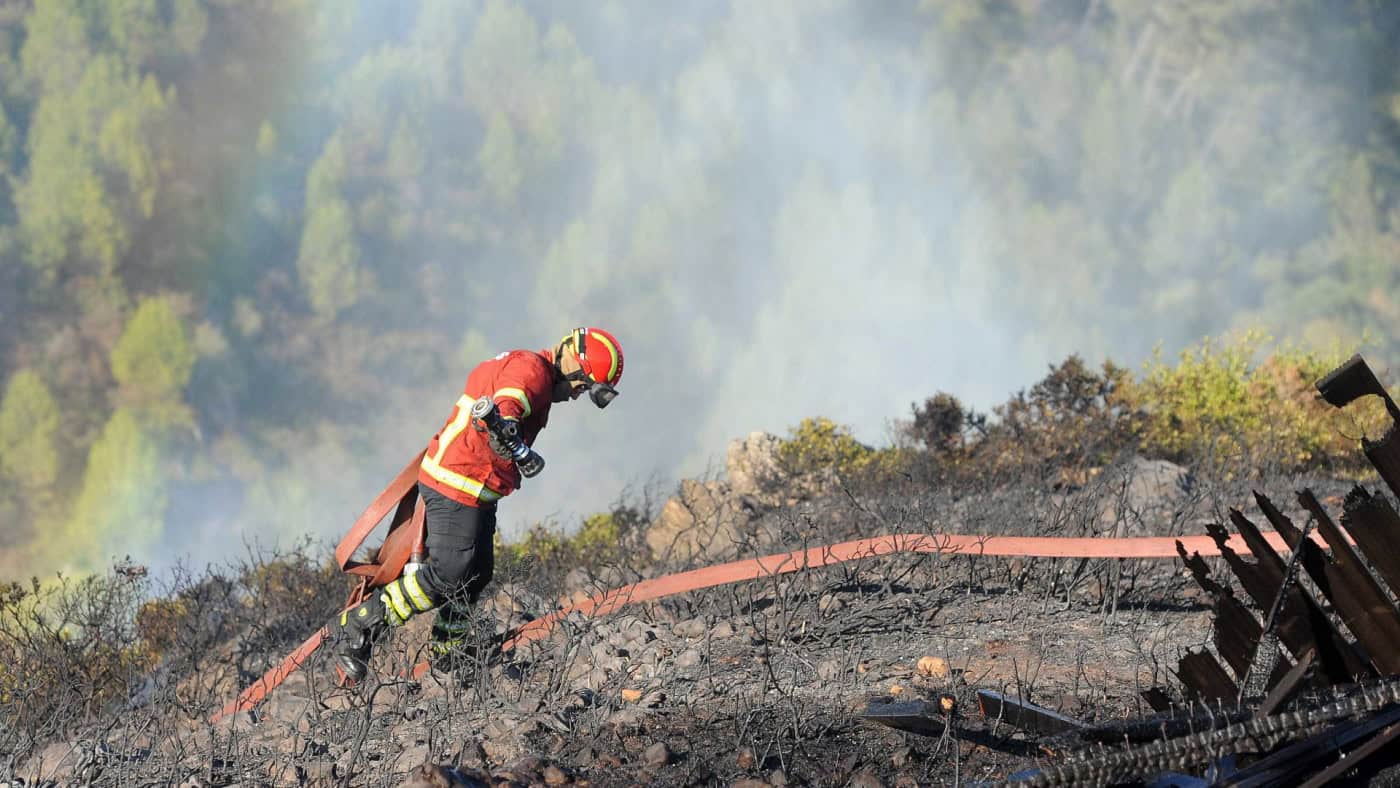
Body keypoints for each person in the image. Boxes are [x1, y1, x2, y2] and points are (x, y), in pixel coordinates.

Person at [331, 327, 625, 681]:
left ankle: (449, 650)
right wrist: (508, 427)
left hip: (474, 487)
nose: (577, 395)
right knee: (449, 571)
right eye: (583, 386)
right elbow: (507, 403)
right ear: (576, 365)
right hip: (458, 482)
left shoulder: (529, 368)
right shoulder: (531, 371)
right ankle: (359, 625)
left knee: (476, 572)